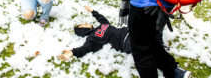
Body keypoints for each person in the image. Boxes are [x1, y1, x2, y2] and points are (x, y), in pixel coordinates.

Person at [58, 6, 191, 78]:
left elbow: (101, 18)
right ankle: (175, 72)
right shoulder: (92, 38)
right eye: (82, 25)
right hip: (126, 42)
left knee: (150, 33)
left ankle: (168, 63)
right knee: (147, 49)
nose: (85, 23)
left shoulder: (103, 25)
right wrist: (73, 52)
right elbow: (86, 48)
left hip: (130, 31)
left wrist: (93, 11)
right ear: (82, 31)